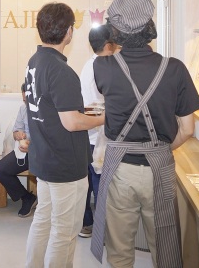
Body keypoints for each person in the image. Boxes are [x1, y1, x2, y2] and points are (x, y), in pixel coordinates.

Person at [90, 0, 199, 268]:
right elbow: (188, 129)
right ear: (149, 25)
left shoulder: (102, 66)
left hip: (120, 169)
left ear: (115, 30)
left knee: (119, 251)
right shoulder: (175, 68)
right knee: (164, 247)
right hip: (159, 167)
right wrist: (160, 149)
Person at [23, 2, 105, 268]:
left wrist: (83, 111)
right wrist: (105, 118)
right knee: (64, 231)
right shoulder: (61, 70)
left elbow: (46, 105)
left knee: (43, 220)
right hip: (64, 163)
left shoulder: (35, 62)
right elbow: (71, 123)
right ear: (69, 31)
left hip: (43, 157)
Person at [78, 25, 118, 239]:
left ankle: (86, 223)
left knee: (88, 183)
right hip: (98, 136)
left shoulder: (88, 64)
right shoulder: (104, 66)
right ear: (108, 45)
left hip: (88, 134)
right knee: (99, 185)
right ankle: (97, 228)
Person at [0, 83, 37, 217]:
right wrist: (17, 134)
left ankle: (49, 206)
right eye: (24, 100)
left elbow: (52, 139)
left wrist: (33, 146)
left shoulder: (50, 111)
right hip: (24, 150)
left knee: (44, 174)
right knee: (1, 169)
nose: (27, 104)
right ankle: (27, 197)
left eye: (30, 101)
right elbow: (16, 130)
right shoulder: (23, 109)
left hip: (43, 153)